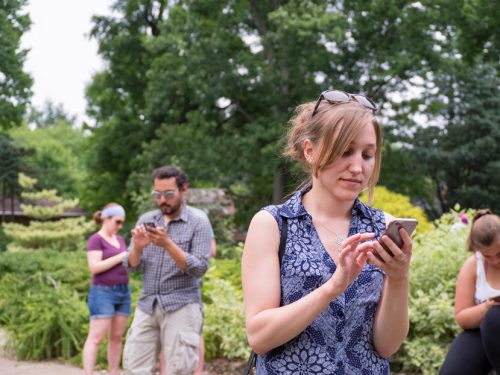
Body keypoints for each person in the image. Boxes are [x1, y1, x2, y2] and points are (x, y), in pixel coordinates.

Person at [242, 90, 413, 374]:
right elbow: (260, 337)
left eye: (367, 154)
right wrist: (334, 286)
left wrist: (398, 277)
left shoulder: (383, 227)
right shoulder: (273, 224)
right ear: (310, 150)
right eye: (345, 151)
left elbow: (386, 346)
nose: (358, 167)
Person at [122, 166, 212, 375]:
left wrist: (168, 244)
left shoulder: (199, 221)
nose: (162, 199)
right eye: (157, 194)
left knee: (179, 370)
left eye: (169, 194)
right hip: (147, 304)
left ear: (183, 189)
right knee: (133, 368)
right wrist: (137, 247)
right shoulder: (146, 220)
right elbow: (132, 266)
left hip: (182, 304)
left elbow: (199, 268)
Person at [440, 209, 500, 374]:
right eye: (488, 256)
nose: (495, 260)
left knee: (495, 319)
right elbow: (462, 317)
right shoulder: (473, 265)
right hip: (480, 332)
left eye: (499, 253)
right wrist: (486, 308)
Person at [159, 205, 217, 375]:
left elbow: (212, 250)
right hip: (163, 287)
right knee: (168, 333)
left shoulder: (199, 218)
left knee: (193, 332)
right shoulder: (161, 219)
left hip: (188, 286)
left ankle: (196, 372)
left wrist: (180, 251)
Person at [83, 203, 130, 375]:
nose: (120, 226)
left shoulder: (121, 240)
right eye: (117, 222)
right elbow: (94, 267)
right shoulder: (96, 239)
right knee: (96, 338)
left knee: (116, 337)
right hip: (103, 292)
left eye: (121, 223)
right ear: (106, 219)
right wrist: (121, 256)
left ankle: (113, 372)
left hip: (123, 292)